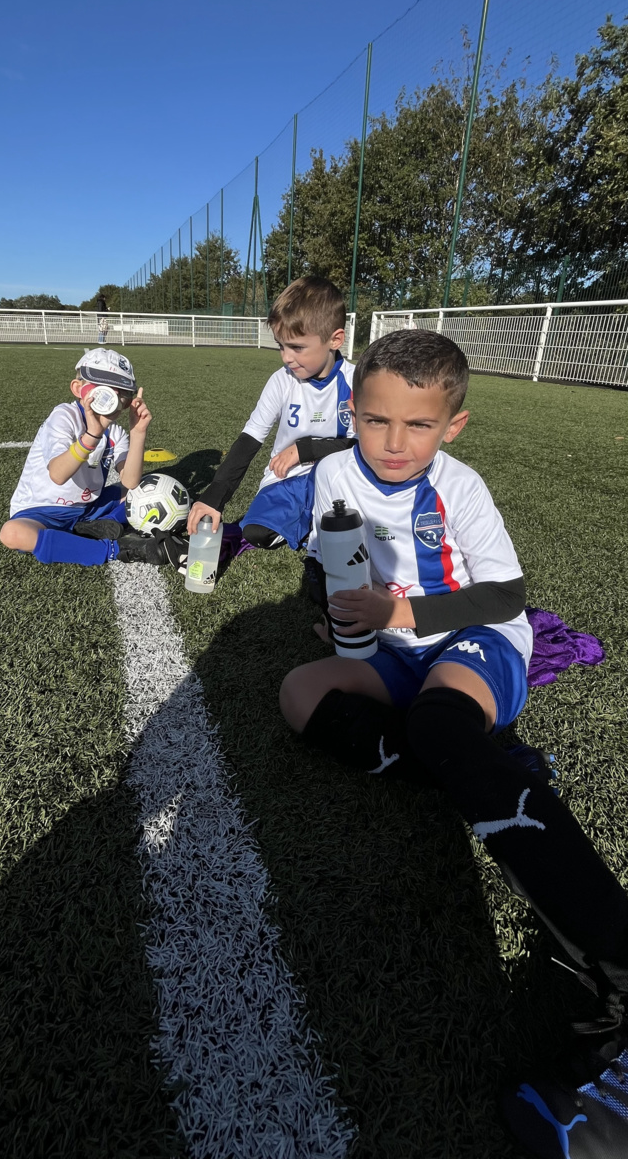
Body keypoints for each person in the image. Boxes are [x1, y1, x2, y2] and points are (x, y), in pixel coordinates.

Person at [279, 329, 628, 1159]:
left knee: (439, 723)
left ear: (453, 427)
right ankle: (475, 766)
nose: (395, 444)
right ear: (352, 412)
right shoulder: (334, 470)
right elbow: (342, 566)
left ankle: (615, 959)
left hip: (476, 642)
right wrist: (350, 617)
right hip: (392, 655)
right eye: (375, 421)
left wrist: (400, 614)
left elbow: (506, 591)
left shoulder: (460, 487)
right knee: (298, 694)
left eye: (419, 427)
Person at [187, 276, 356, 551]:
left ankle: (315, 525)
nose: (286, 357)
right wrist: (214, 495)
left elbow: (365, 445)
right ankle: (312, 524)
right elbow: (251, 437)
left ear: (334, 340)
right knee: (256, 532)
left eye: (297, 347)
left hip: (339, 477)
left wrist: (307, 449)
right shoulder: (281, 380)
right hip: (288, 478)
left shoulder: (357, 381)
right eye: (281, 345)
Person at [0, 347, 181, 567]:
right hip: (40, 512)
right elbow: (58, 474)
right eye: (105, 388)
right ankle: (117, 549)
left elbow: (130, 481)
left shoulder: (115, 433)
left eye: (122, 392)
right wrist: (91, 435)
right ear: (79, 389)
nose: (113, 397)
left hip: (87, 508)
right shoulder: (65, 416)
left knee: (142, 489)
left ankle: (91, 527)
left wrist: (138, 432)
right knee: (12, 533)